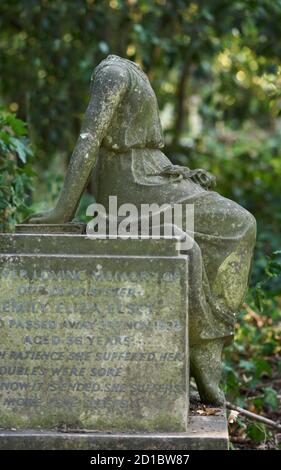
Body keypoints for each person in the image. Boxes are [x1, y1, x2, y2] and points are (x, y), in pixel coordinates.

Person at [26, 55, 256, 404]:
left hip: (151, 174)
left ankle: (207, 337)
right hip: (131, 184)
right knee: (240, 224)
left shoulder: (128, 69)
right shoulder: (114, 73)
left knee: (239, 224)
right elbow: (89, 140)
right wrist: (63, 211)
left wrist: (175, 171)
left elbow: (141, 143)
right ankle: (205, 340)